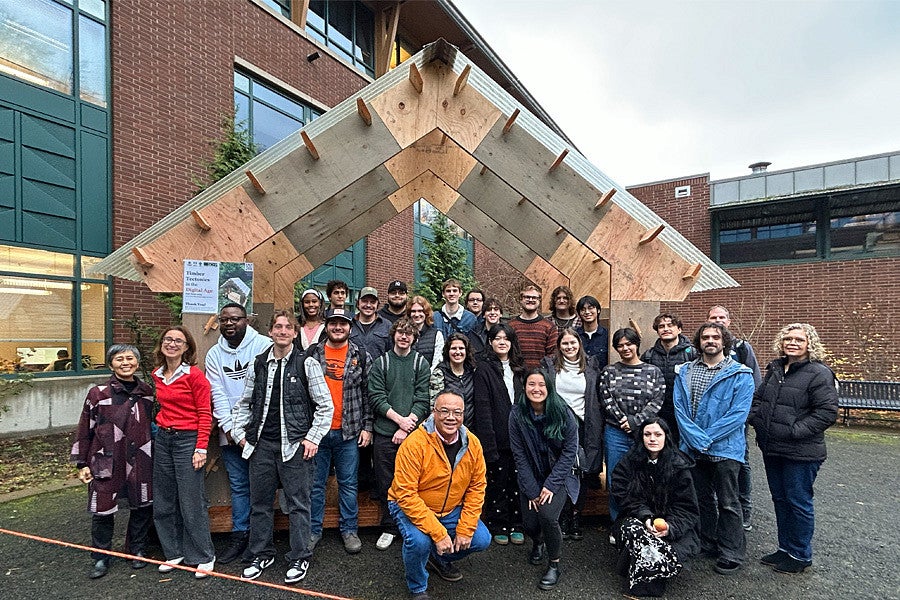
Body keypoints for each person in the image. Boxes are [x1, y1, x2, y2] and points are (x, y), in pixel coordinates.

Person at [231, 310, 333, 584]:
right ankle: (262, 552)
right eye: (278, 326)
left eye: (289, 327)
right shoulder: (259, 363)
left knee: (299, 504)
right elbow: (244, 402)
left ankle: (299, 556)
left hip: (295, 446)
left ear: (295, 332)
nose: (283, 331)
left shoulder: (306, 363)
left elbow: (325, 405)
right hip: (261, 446)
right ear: (271, 332)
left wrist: (313, 438)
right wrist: (239, 433)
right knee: (260, 504)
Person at [749, 323, 838, 574]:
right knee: (780, 500)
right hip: (772, 448)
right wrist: (757, 419)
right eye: (788, 338)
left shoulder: (819, 373)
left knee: (798, 501)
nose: (792, 343)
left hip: (801, 452)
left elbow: (826, 413)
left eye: (799, 339)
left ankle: (800, 554)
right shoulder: (776, 369)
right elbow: (760, 399)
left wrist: (793, 431)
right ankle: (785, 548)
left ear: (809, 344)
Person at [388, 391, 491, 600]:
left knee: (480, 539)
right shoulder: (415, 444)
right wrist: (439, 534)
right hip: (408, 504)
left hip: (450, 508)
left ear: (463, 415)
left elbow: (477, 487)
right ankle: (417, 586)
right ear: (433, 412)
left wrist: (466, 527)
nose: (450, 417)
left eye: (457, 412)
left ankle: (438, 558)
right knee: (419, 542)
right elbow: (406, 494)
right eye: (444, 411)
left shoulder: (473, 444)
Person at [673, 322, 754, 575]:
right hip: (693, 449)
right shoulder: (685, 371)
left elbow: (738, 415)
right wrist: (696, 440)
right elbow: (679, 409)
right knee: (702, 500)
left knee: (729, 502)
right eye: (705, 337)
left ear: (724, 341)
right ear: (698, 342)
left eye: (716, 337)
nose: (710, 341)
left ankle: (731, 552)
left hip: (725, 450)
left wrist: (706, 438)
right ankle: (707, 541)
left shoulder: (740, 374)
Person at [70, 344, 154, 579]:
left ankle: (136, 549)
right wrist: (81, 463)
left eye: (130, 358)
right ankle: (100, 556)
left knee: (142, 505)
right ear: (111, 364)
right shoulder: (98, 393)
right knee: (103, 510)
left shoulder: (146, 392)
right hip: (106, 460)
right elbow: (84, 428)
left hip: (141, 457)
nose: (125, 363)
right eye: (119, 359)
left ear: (137, 363)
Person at [205, 302, 273, 564]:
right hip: (230, 433)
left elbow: (264, 391)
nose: (229, 324)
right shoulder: (214, 354)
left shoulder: (263, 346)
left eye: (235, 319)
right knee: (239, 486)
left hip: (259, 432)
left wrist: (249, 429)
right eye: (224, 320)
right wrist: (230, 428)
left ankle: (259, 540)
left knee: (261, 487)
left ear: (247, 320)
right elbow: (218, 394)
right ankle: (240, 535)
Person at [152, 326, 216, 578]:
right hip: (164, 439)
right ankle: (173, 552)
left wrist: (201, 447)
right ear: (162, 344)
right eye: (168, 339)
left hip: (188, 441)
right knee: (165, 498)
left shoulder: (194, 376)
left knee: (191, 500)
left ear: (187, 347)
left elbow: (204, 414)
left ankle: (203, 556)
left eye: (178, 341)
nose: (172, 344)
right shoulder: (157, 374)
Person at [610, 418, 700, 597]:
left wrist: (669, 528)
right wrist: (645, 516)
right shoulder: (629, 462)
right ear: (641, 437)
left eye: (658, 434)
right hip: (638, 519)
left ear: (666, 437)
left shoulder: (679, 467)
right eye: (647, 434)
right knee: (634, 531)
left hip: (672, 525)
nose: (652, 439)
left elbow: (687, 508)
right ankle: (648, 578)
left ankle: (649, 571)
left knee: (666, 549)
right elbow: (621, 493)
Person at [308, 307, 373, 554]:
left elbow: (368, 394)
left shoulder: (361, 355)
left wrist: (367, 427)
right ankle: (314, 530)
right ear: (326, 325)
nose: (338, 327)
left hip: (349, 432)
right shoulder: (312, 354)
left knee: (348, 483)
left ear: (350, 327)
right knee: (315, 484)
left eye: (343, 323)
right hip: (318, 433)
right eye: (333, 323)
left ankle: (349, 530)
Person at [508, 369, 580, 590]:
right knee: (530, 523)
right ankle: (537, 542)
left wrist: (550, 485)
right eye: (531, 384)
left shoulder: (563, 413)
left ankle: (554, 564)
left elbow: (570, 452)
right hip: (531, 474)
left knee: (548, 516)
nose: (536, 389)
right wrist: (531, 490)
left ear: (549, 387)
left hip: (559, 474)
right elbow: (518, 455)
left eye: (541, 384)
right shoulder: (516, 414)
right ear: (525, 387)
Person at [369, 317, 432, 552]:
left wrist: (407, 427)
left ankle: (414, 524)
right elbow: (376, 397)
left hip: (413, 435)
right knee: (387, 483)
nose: (404, 337)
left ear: (414, 338)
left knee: (414, 482)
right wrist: (399, 422)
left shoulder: (420, 363)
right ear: (393, 335)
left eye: (409, 334)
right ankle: (390, 527)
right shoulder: (381, 363)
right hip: (385, 433)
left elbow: (423, 399)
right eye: (400, 333)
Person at [540, 328, 604, 540]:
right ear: (559, 346)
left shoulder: (592, 365)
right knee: (558, 469)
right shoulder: (549, 366)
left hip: (585, 425)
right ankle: (560, 516)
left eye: (573, 343)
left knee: (581, 471)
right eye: (565, 344)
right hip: (557, 425)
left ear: (579, 344)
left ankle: (576, 517)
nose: (569, 347)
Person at [599, 328, 665, 525]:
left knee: (645, 477)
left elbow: (657, 400)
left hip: (645, 433)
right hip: (615, 433)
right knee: (616, 478)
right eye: (620, 345)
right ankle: (619, 522)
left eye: (629, 344)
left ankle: (644, 521)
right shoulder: (608, 372)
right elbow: (606, 400)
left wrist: (636, 422)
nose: (625, 348)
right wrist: (624, 421)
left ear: (637, 344)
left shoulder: (653, 372)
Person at [707, 304, 761, 531]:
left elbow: (755, 383)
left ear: (728, 321)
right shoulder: (702, 348)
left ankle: (744, 509)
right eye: (713, 317)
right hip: (708, 419)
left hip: (735, 420)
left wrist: (745, 417)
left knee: (741, 464)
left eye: (722, 317)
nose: (718, 320)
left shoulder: (742, 348)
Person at [471, 322, 525, 545]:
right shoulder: (483, 368)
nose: (502, 342)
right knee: (498, 482)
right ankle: (499, 523)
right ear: (490, 342)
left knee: (518, 483)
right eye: (497, 338)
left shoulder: (521, 368)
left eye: (506, 338)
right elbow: (482, 408)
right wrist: (489, 444)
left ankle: (518, 524)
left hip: (520, 438)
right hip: (496, 437)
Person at [641, 313, 696, 447]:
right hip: (657, 413)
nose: (666, 329)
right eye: (661, 326)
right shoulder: (649, 355)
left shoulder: (692, 353)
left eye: (670, 325)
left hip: (683, 413)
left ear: (679, 329)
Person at [429, 333, 477, 427]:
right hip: (448, 427)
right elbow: (434, 407)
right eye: (454, 348)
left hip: (471, 427)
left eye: (461, 348)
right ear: (448, 351)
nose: (458, 352)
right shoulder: (439, 373)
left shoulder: (472, 371)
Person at [509, 284, 556, 370]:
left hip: (541, 376)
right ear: (521, 300)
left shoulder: (549, 326)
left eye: (534, 298)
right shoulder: (510, 326)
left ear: (539, 301)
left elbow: (552, 354)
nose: (530, 300)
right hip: (516, 375)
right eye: (527, 297)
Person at [350, 286, 392, 359]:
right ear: (357, 303)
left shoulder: (387, 326)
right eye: (364, 301)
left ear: (377, 304)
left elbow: (392, 353)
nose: (368, 305)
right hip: (353, 369)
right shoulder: (349, 325)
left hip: (378, 370)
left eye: (372, 302)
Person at [574, 295, 609, 367]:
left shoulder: (607, 335)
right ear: (579, 313)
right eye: (583, 309)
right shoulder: (574, 335)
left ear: (598, 310)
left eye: (590, 308)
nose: (587, 312)